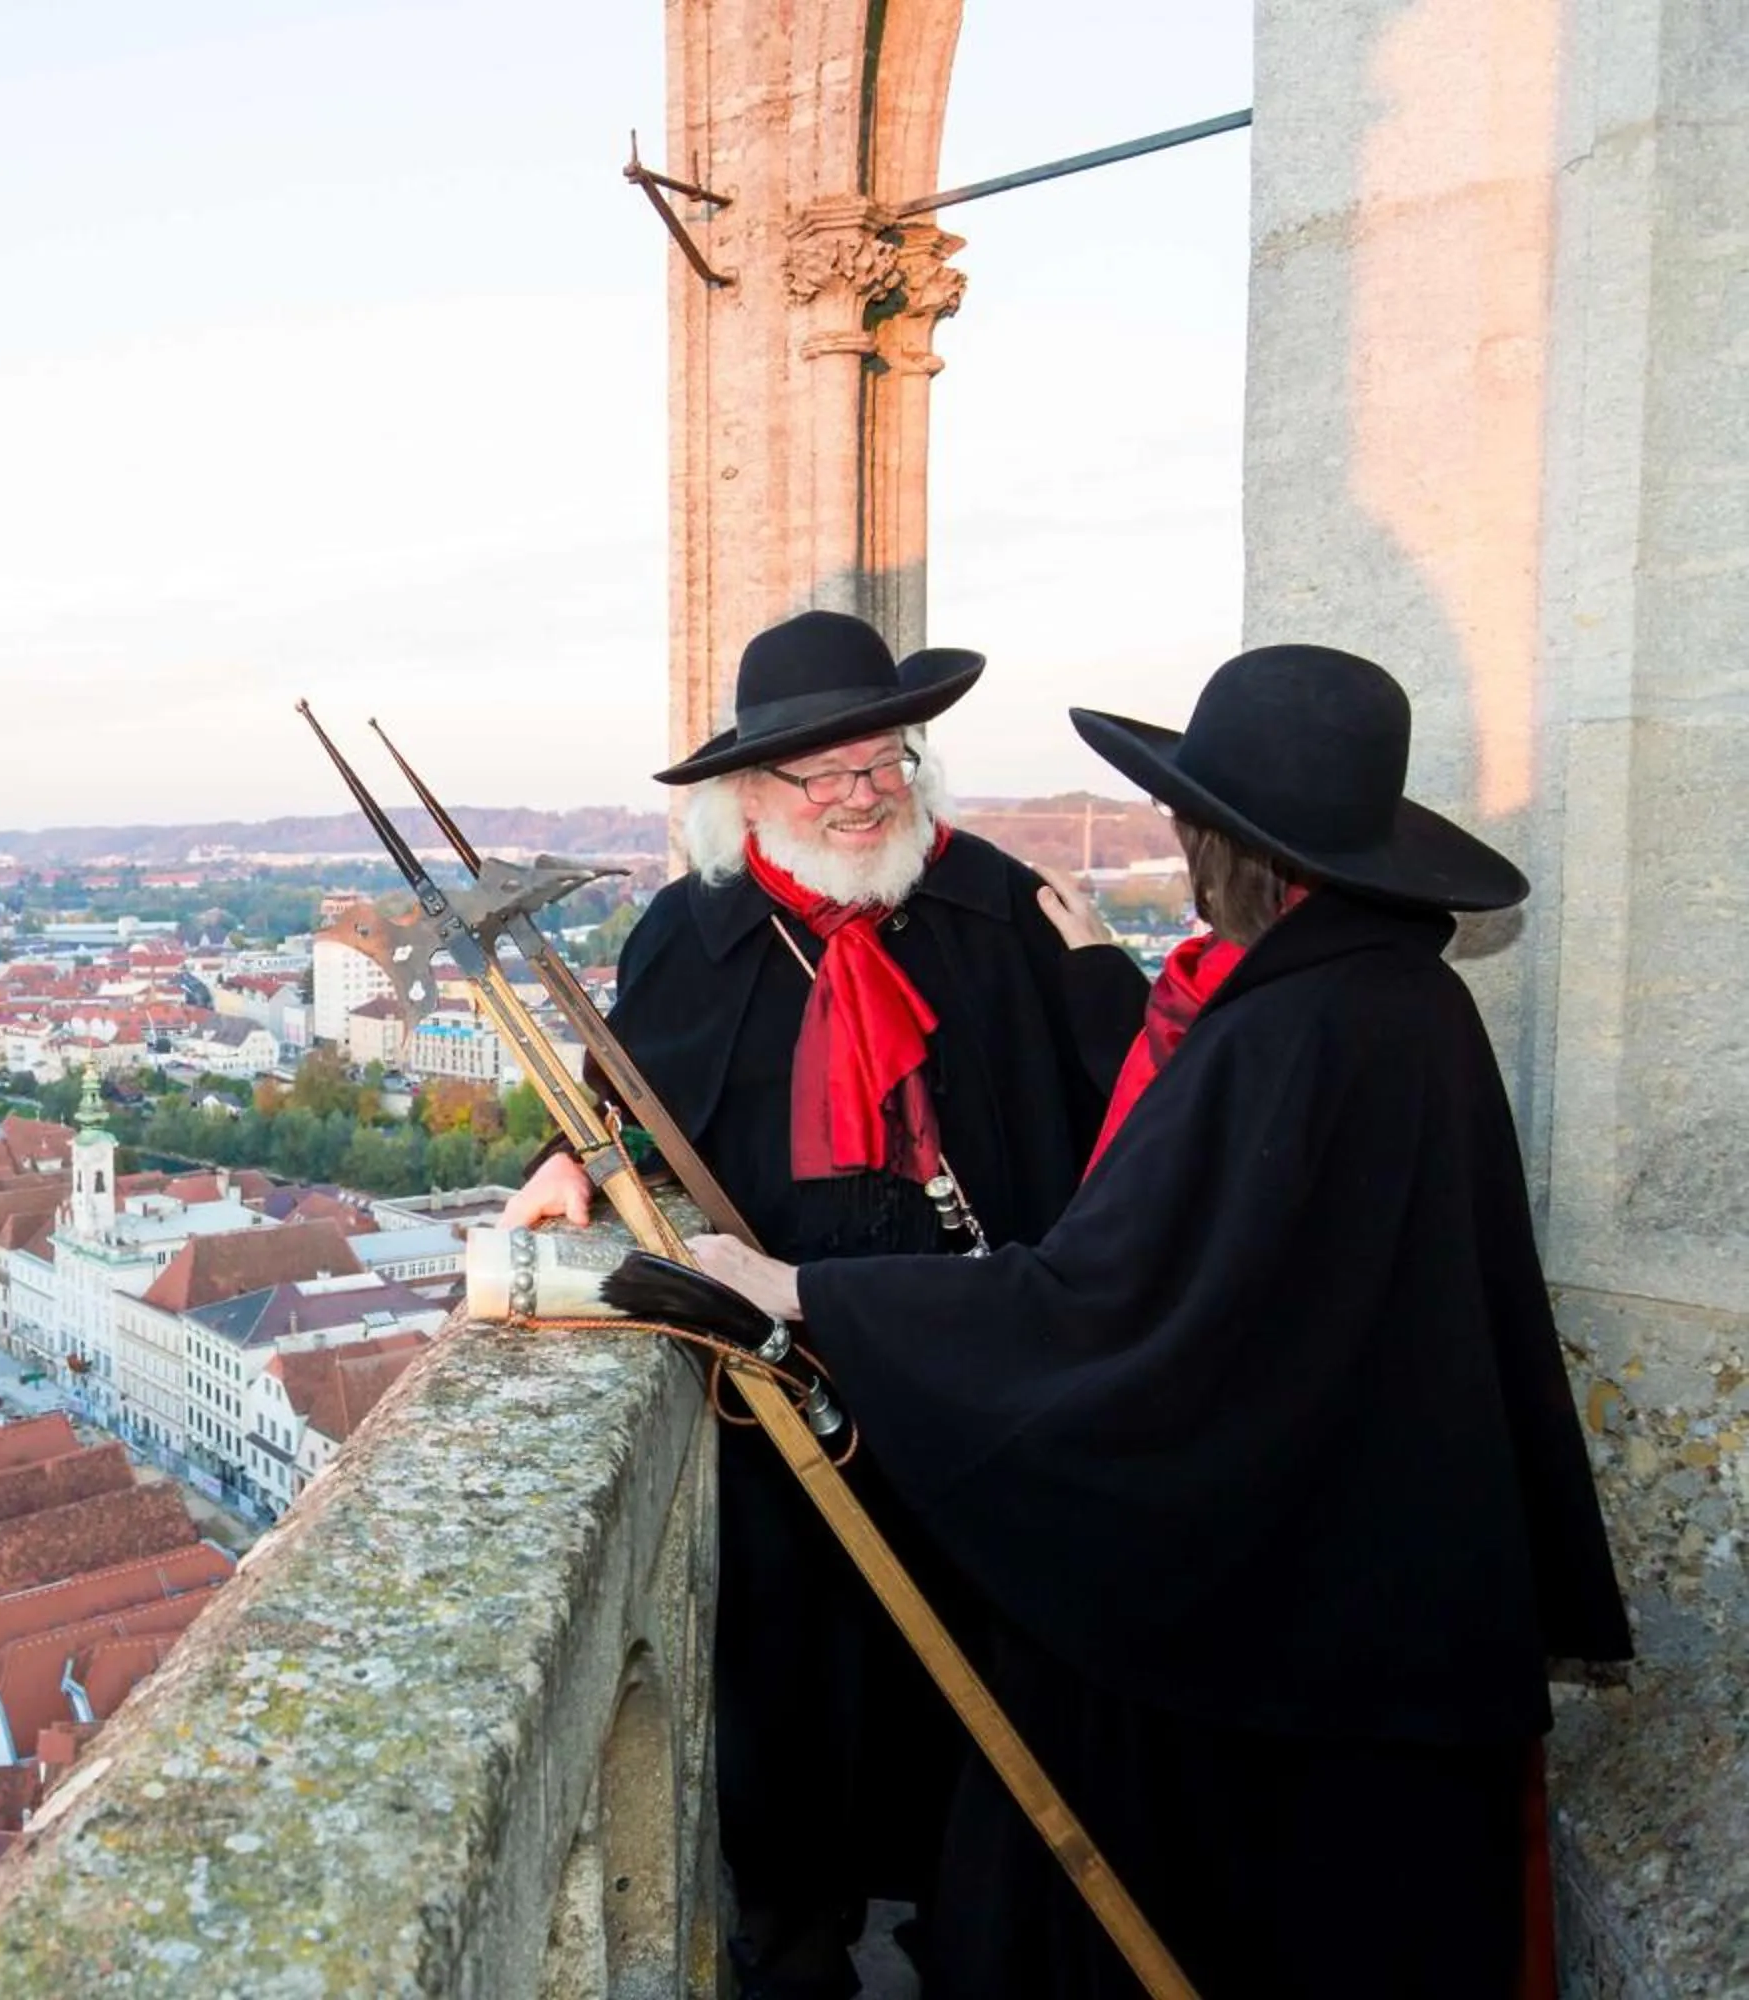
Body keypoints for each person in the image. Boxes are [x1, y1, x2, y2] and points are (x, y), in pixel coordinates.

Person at [695, 645, 1632, 1997]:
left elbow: (1103, 1303)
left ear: (1227, 843)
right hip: (1378, 1580)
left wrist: (804, 1291)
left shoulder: (1289, 1034)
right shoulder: (1407, 1004)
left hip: (1276, 1625)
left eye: (1187, 821)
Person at [503, 609, 1152, 1998]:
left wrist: (1103, 981)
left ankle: (975, 1930)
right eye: (829, 775)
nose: (866, 796)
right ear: (755, 796)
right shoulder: (691, 936)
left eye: (887, 763)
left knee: (984, 1650)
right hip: (776, 1375)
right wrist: (564, 1158)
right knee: (789, 1676)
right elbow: (641, 1101)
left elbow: (1126, 1110)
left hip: (974, 1368)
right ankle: (796, 1941)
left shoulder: (999, 909)